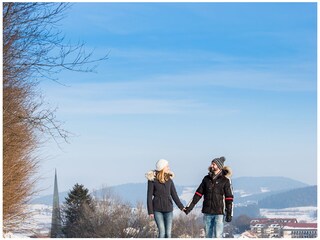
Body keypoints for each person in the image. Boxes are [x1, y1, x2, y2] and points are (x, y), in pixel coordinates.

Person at [184, 157, 233, 238]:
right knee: (208, 236)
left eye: (213, 164)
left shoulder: (225, 181)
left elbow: (229, 198)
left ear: (219, 166)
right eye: (212, 164)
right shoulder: (206, 179)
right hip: (207, 213)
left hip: (219, 213)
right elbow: (198, 194)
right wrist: (189, 208)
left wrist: (229, 213)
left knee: (218, 236)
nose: (211, 166)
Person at [146, 159, 185, 238]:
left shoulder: (169, 180)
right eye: (167, 166)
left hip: (168, 209)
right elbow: (149, 196)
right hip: (157, 210)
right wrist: (150, 211)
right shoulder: (152, 180)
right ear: (162, 167)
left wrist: (181, 207)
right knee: (162, 232)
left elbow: (174, 195)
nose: (169, 167)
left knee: (168, 233)